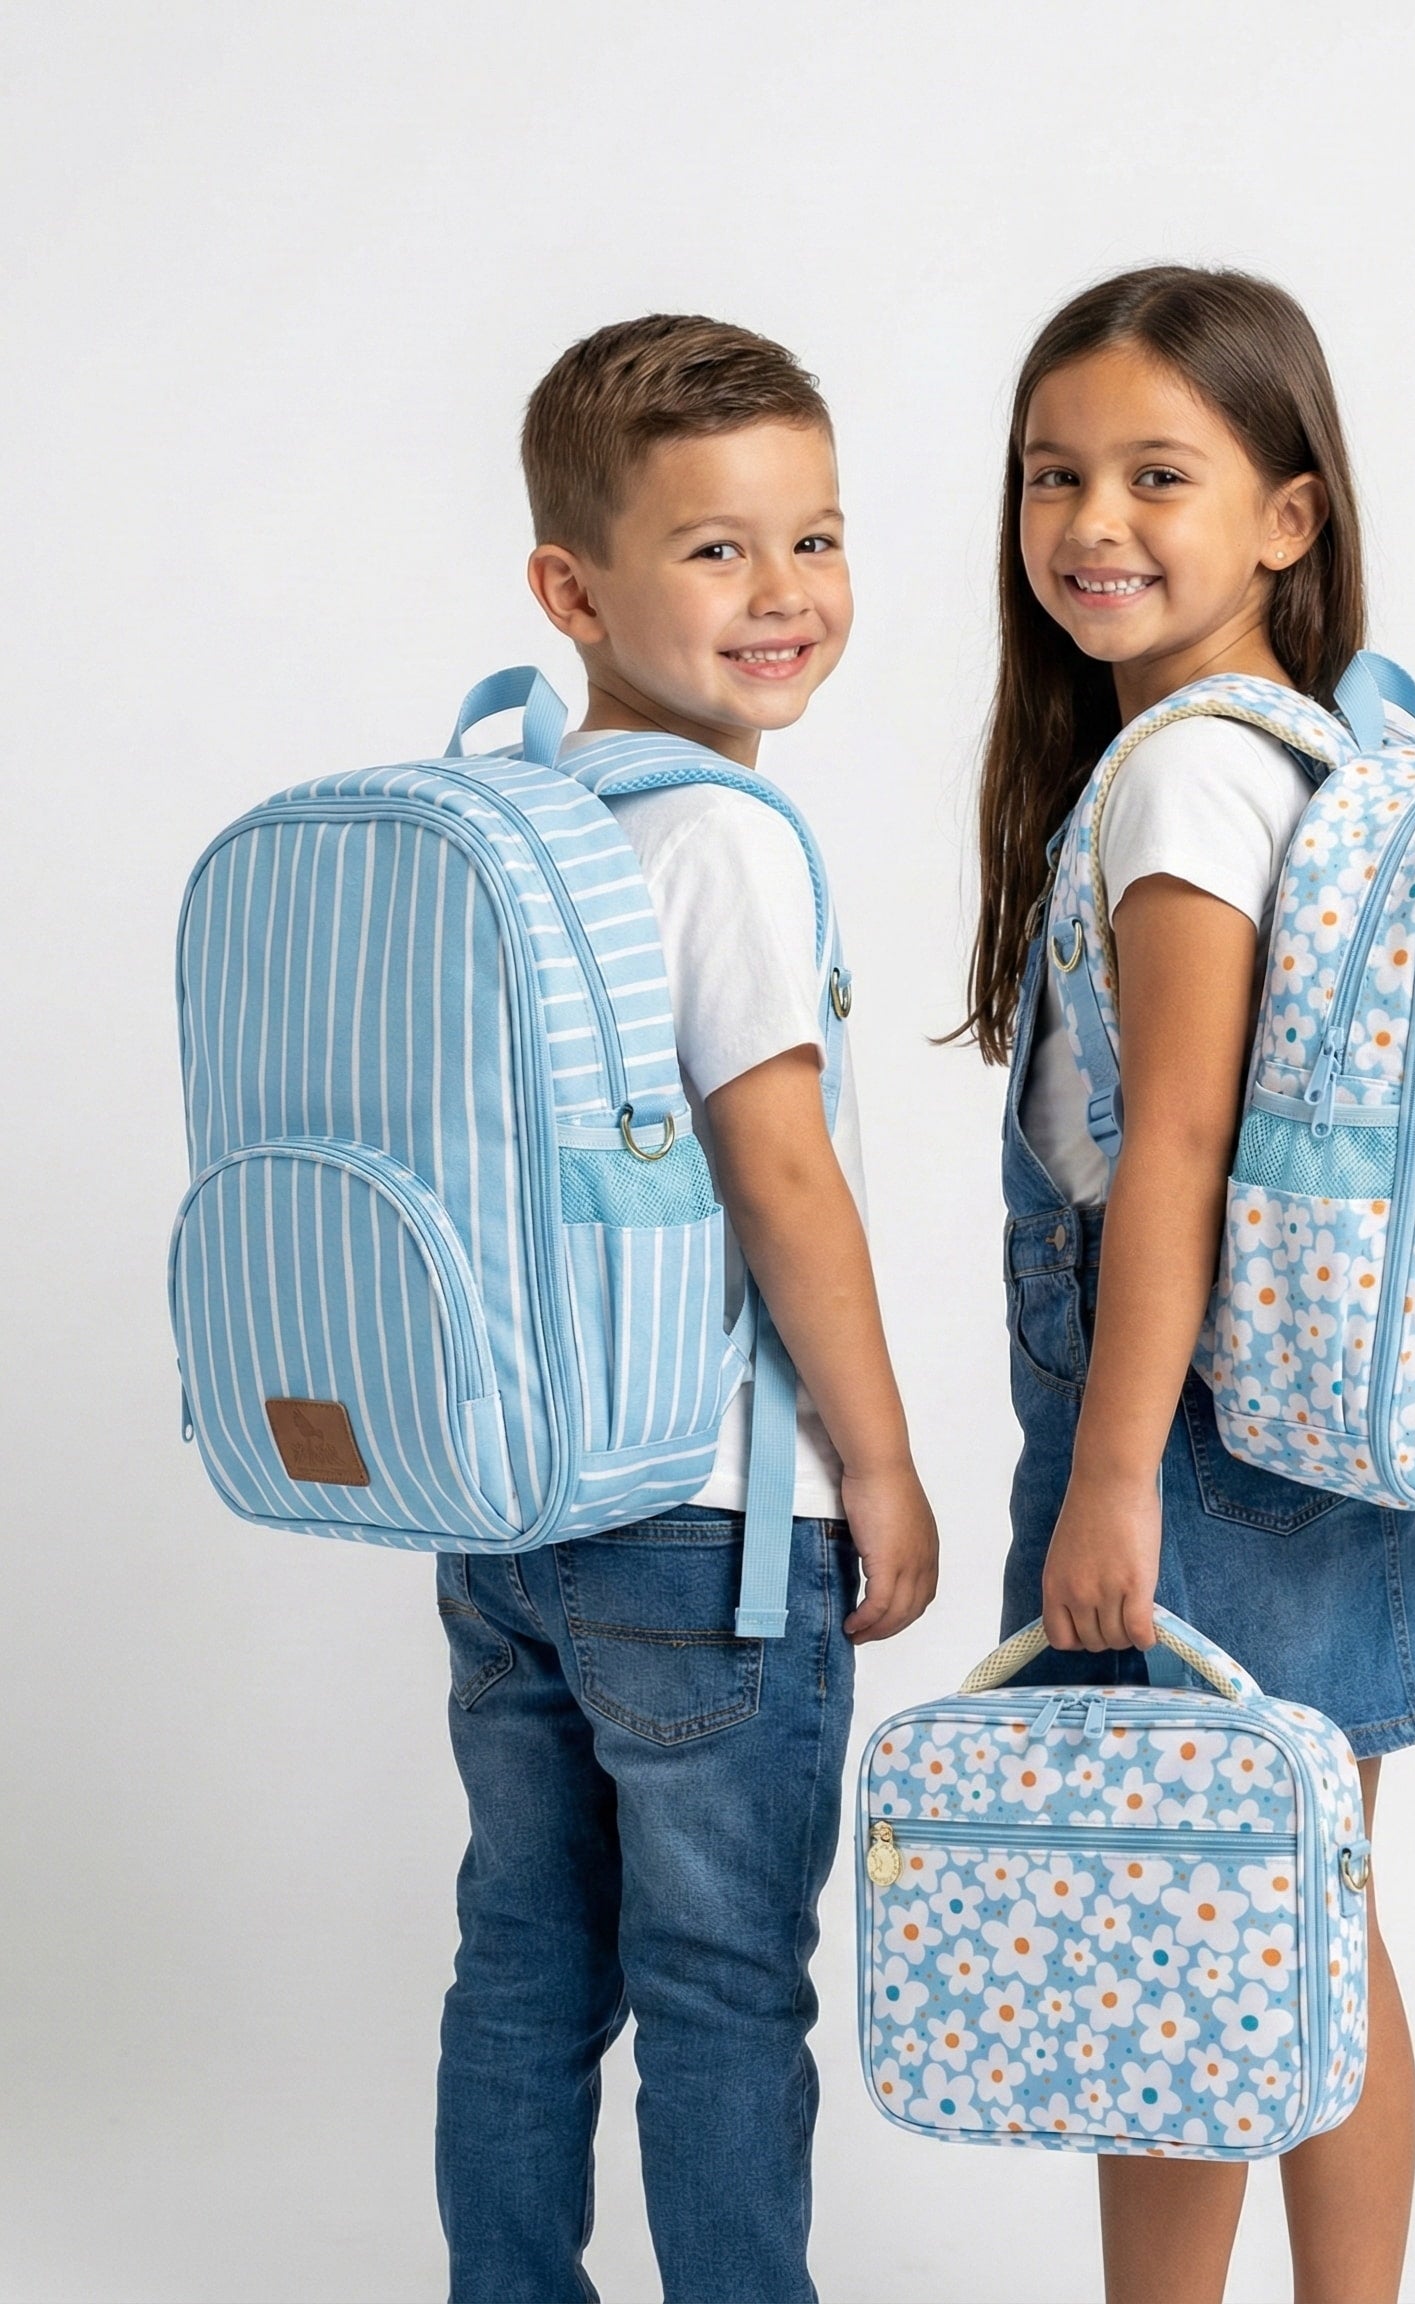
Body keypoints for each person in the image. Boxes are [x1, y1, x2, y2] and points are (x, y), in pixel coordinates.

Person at [956, 266, 1415, 2304]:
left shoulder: (1179, 777)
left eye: (1158, 475)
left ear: (1286, 514)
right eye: (1052, 474)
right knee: (1309, 1920)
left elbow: (1173, 1145)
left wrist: (1111, 1481)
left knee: (1167, 1944)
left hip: (1179, 1445)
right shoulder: (1312, 750)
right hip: (1319, 1421)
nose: (1093, 520)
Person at [435, 314, 939, 2304]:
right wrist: (878, 1462)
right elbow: (779, 1175)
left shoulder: (520, 820)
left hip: (513, 1505)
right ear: (572, 592)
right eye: (716, 549)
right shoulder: (720, 838)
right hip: (714, 1524)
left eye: (815, 538)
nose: (784, 591)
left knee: (523, 1963)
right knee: (725, 1987)